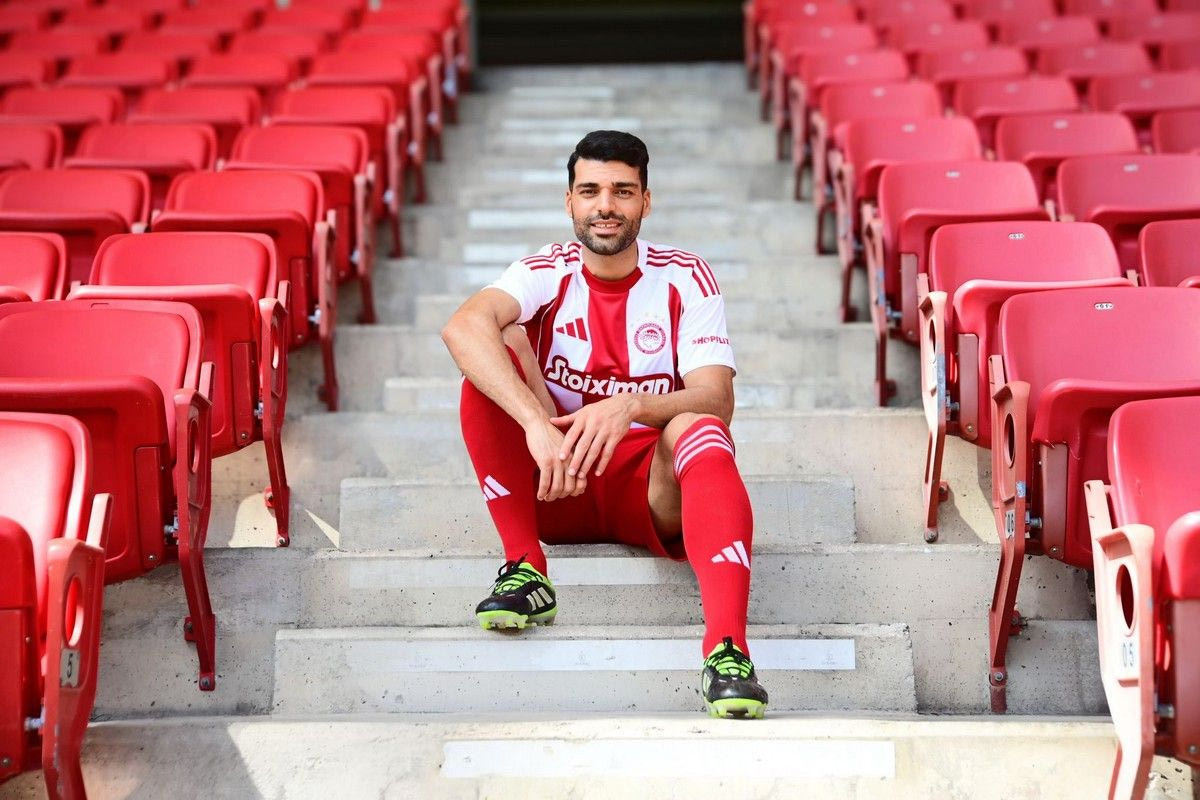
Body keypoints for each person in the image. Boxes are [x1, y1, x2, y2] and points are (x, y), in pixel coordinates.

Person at [441, 130, 768, 719]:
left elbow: (717, 398)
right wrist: (535, 423)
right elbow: (462, 327)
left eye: (623, 190)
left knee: (701, 428)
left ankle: (727, 653)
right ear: (569, 201)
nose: (605, 206)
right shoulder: (546, 269)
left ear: (646, 201)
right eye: (590, 191)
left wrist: (630, 406)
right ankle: (525, 567)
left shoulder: (685, 276)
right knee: (494, 354)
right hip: (556, 479)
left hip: (649, 492)